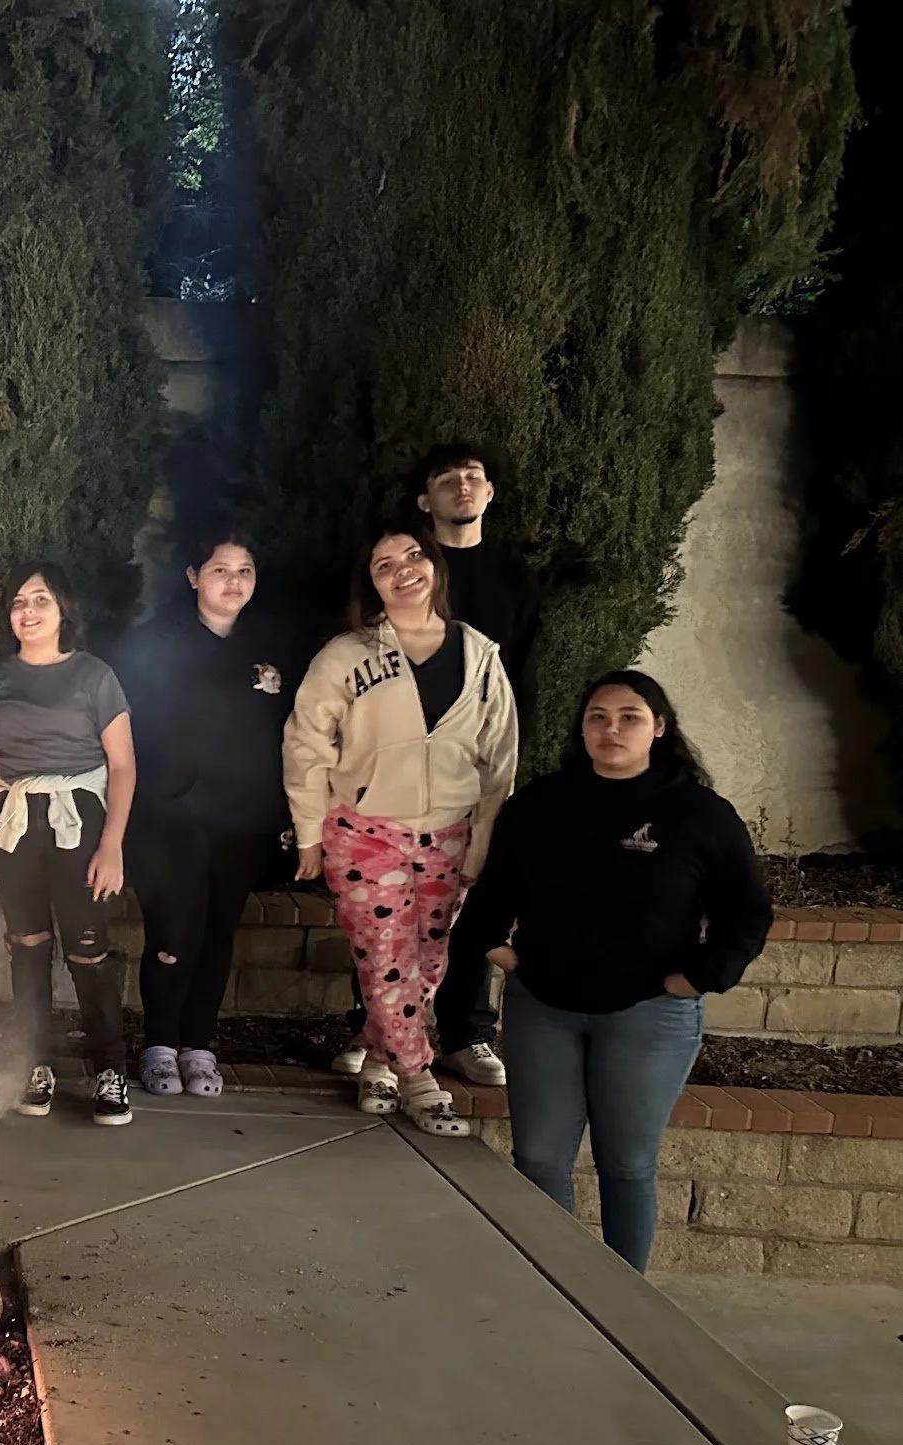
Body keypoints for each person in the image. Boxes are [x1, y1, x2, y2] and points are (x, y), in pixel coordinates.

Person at [458, 671, 770, 1270]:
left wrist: (701, 978)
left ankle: (625, 1300)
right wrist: (492, 945)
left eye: (629, 716)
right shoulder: (540, 805)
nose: (611, 728)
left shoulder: (699, 814)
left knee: (626, 1163)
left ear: (660, 727)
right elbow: (496, 888)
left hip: (649, 1015)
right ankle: (563, 1289)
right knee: (540, 1159)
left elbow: (747, 913)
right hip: (543, 1008)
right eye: (597, 716)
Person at [283, 525, 519, 1137]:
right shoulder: (346, 655)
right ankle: (417, 1076)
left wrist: (484, 842)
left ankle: (378, 1060)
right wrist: (308, 831)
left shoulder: (478, 654)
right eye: (384, 562)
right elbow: (306, 744)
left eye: (414, 555)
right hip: (365, 830)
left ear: (434, 566)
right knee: (385, 955)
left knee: (427, 960)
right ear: (371, 582)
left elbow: (500, 760)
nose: (403, 569)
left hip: (451, 831)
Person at [110, 528, 294, 1099]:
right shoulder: (155, 643)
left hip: (240, 817)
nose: (232, 581)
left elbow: (288, 733)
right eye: (219, 569)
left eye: (244, 570)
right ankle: (160, 1045)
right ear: (193, 577)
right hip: (169, 817)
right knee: (173, 931)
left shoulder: (272, 647)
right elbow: (133, 732)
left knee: (218, 932)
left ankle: (200, 1047)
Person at [0, 564, 137, 1124]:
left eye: (40, 599)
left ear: (64, 610)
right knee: (28, 947)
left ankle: (109, 1071)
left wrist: (113, 846)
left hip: (79, 823)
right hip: (13, 826)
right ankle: (34, 1065)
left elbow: (124, 765)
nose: (28, 611)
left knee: (88, 950)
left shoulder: (95, 675)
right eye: (18, 601)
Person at [399, 443, 542, 1088]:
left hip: (481, 763)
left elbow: (526, 674)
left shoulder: (513, 576)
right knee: (393, 896)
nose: (464, 486)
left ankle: (466, 1033)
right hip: (403, 761)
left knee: (474, 894)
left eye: (475, 477)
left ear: (490, 494)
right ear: (424, 501)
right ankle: (373, 1027)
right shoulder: (404, 569)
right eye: (447, 479)